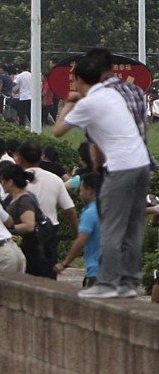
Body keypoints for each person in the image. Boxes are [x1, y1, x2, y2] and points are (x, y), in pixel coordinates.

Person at [54, 56, 152, 298]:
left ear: (78, 79)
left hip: (120, 167)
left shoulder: (90, 102)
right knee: (133, 227)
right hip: (142, 163)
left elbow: (58, 131)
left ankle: (107, 284)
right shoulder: (111, 95)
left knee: (111, 227)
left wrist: (69, 102)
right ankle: (128, 284)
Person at [15, 141, 78, 279]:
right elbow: (70, 210)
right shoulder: (54, 179)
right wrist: (76, 233)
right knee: (48, 279)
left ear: (19, 159)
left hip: (24, 234)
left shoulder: (15, 180)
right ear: (40, 157)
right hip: (49, 234)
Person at [0, 165, 50, 278]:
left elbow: (29, 225)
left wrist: (10, 228)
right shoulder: (12, 198)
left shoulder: (24, 200)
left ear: (10, 182)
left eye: (2, 180)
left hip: (30, 251)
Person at [55, 174, 101, 287]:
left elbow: (80, 241)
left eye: (81, 190)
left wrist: (64, 263)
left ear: (89, 190)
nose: (80, 194)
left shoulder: (90, 213)